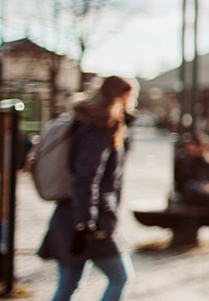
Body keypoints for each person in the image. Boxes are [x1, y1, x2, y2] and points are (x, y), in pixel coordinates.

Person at [38, 76, 138, 301]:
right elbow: (87, 178)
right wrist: (84, 226)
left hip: (69, 215)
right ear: (122, 96)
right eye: (132, 96)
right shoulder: (100, 127)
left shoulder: (85, 121)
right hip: (91, 220)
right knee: (120, 278)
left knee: (68, 287)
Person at [174, 130, 209, 255]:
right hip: (189, 197)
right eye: (189, 145)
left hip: (208, 199)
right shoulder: (183, 161)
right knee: (193, 187)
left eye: (194, 145)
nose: (190, 148)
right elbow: (180, 184)